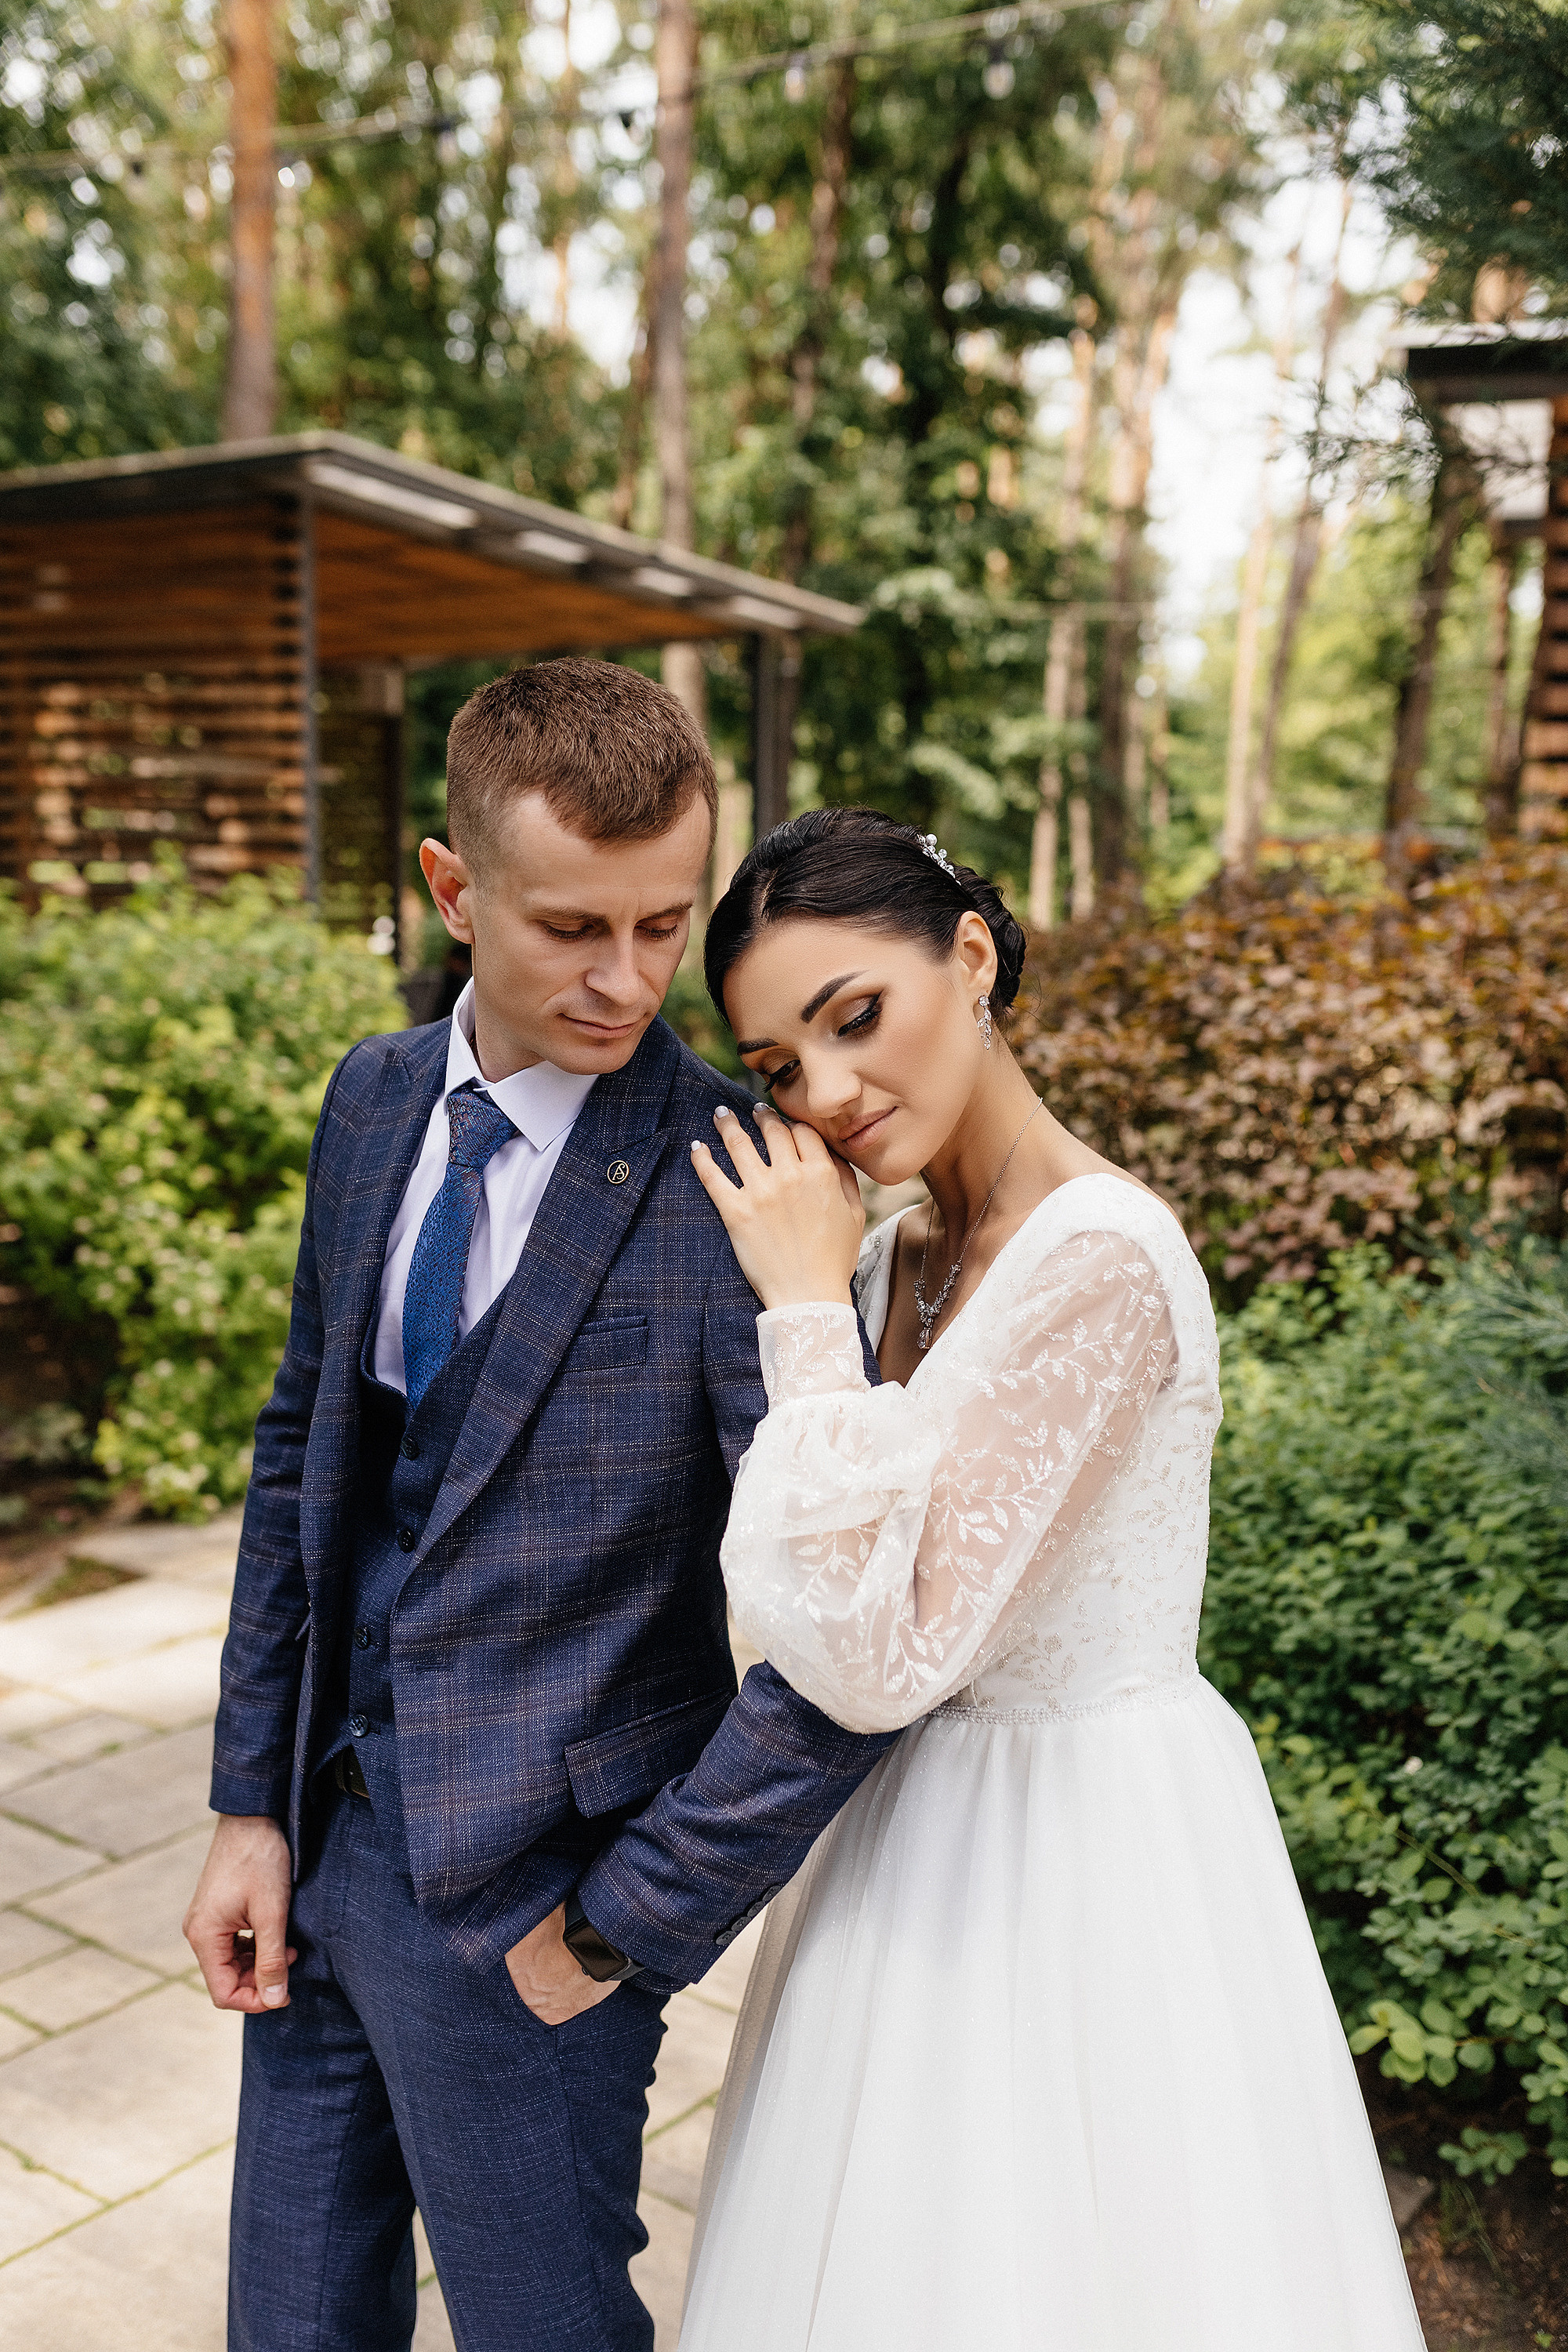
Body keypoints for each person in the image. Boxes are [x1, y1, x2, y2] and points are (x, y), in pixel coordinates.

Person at [181, 662, 891, 2352]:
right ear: (450, 886)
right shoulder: (368, 1101)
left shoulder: (746, 1181)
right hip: (323, 1854)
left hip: (534, 1922)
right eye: (575, 926)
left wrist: (625, 1924)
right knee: (286, 2323)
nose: (628, 980)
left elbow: (853, 1632)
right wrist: (247, 1806)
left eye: (665, 925)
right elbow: (303, 1464)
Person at [681, 808, 1428, 2352]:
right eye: (775, 1068)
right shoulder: (892, 1258)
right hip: (888, 1854)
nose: (824, 1094)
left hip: (1085, 1864)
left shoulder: (1101, 1255)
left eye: (852, 1018)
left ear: (968, 955)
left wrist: (801, 1312)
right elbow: (805, 1612)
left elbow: (889, 1652)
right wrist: (840, 1291)